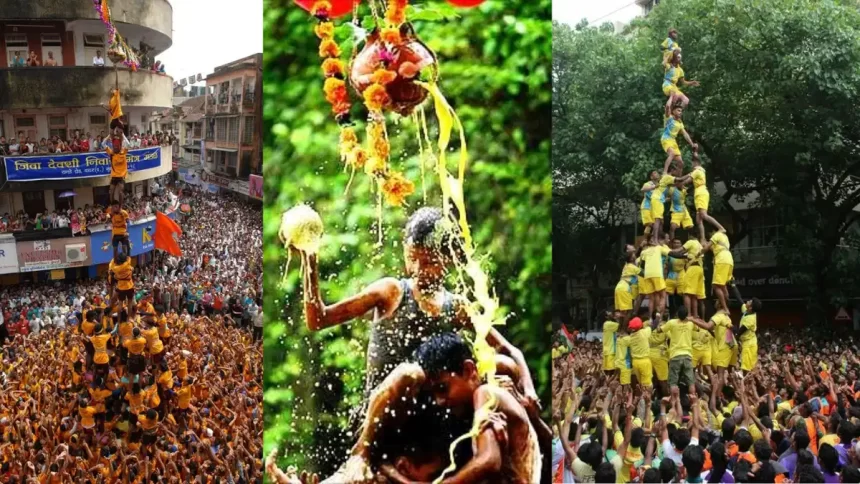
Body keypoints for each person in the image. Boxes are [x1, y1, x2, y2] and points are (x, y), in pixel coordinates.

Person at [297, 207, 541, 481]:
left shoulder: (456, 307)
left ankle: (505, 453)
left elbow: (508, 350)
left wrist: (527, 391)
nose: (417, 270)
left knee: (503, 366)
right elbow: (318, 319)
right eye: (412, 259)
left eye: (428, 262)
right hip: (382, 420)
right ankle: (360, 456)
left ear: (447, 259)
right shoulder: (391, 292)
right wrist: (309, 259)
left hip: (431, 425)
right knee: (411, 374)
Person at [414, 332, 542, 484]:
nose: (439, 401)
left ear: (468, 370)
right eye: (433, 394)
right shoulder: (474, 409)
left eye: (442, 388)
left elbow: (489, 461)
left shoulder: (486, 393)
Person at [659, 305, 696, 392]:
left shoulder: (671, 323)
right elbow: (697, 328)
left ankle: (674, 400)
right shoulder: (691, 324)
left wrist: (658, 324)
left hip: (675, 356)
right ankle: (693, 398)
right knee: (691, 382)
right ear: (686, 315)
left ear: (677, 314)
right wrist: (691, 319)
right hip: (687, 355)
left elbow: (659, 330)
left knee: (673, 382)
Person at [661, 103, 698, 173]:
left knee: (681, 163)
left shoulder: (680, 123)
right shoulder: (669, 118)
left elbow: (685, 134)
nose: (680, 112)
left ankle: (677, 179)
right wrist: (672, 97)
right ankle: (664, 172)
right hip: (666, 138)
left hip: (673, 141)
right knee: (672, 153)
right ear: (673, 111)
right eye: (678, 110)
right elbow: (668, 106)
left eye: (681, 111)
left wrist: (692, 144)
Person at [703, 229, 734, 313]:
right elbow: (710, 247)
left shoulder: (716, 235)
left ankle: (725, 308)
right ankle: (726, 305)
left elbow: (705, 248)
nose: (710, 236)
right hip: (729, 260)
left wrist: (699, 253)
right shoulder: (724, 238)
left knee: (715, 286)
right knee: (723, 286)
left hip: (721, 261)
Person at [106, 135, 129, 206]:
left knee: (121, 192)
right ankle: (112, 205)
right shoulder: (111, 153)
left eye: (117, 146)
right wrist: (109, 136)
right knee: (111, 192)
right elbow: (103, 144)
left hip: (121, 177)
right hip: (114, 176)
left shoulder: (123, 152)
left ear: (119, 147)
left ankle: (120, 206)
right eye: (114, 147)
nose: (115, 148)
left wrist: (123, 135)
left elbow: (128, 144)